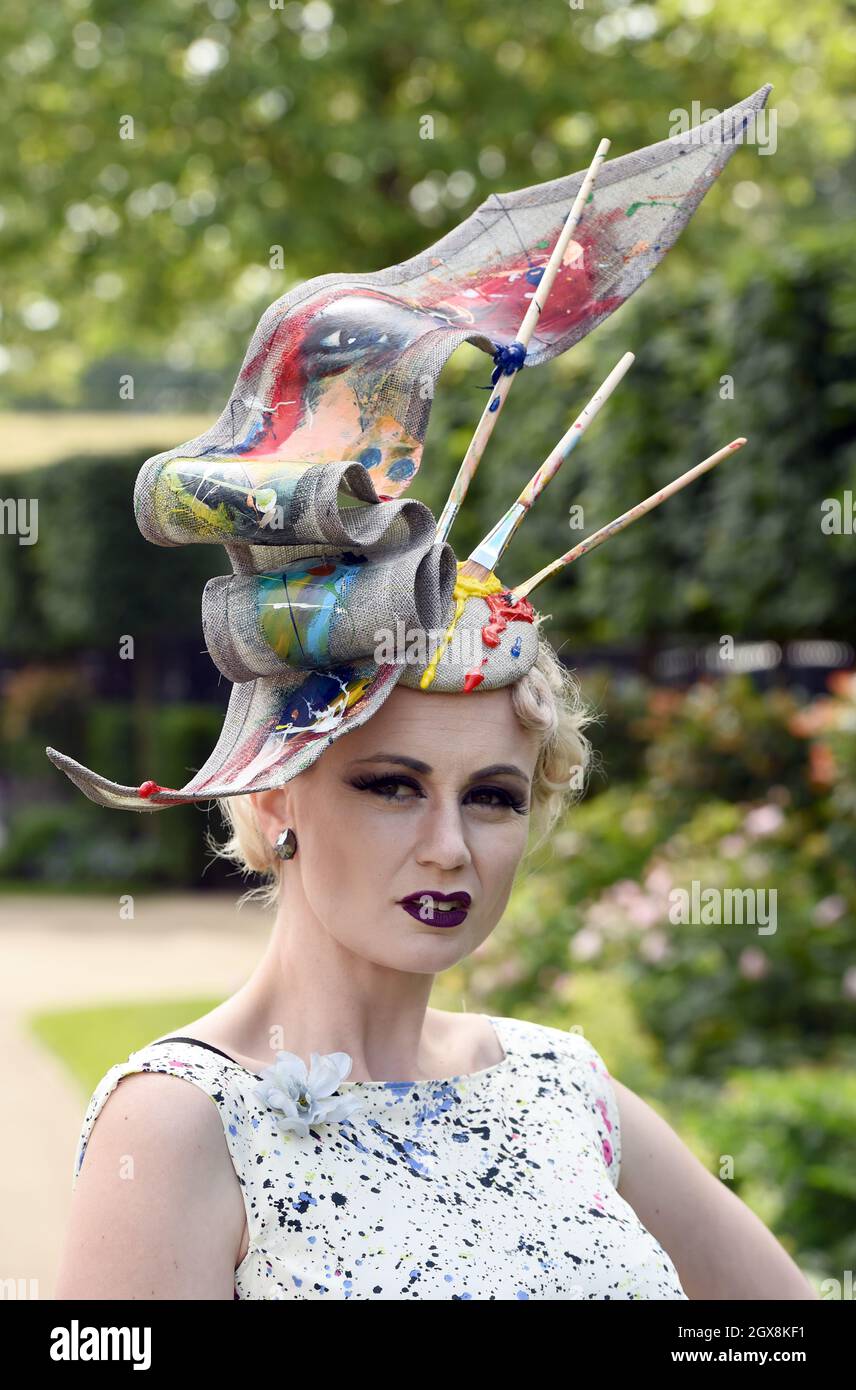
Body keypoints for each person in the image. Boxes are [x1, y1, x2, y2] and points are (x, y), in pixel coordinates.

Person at [51, 84, 813, 1298]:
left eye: (496, 796)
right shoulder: (181, 1124)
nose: (450, 846)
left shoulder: (566, 1087)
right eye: (392, 783)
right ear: (277, 798)